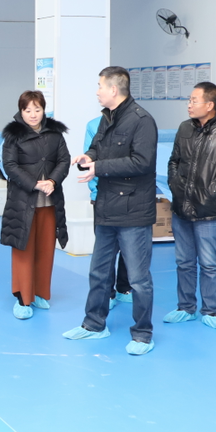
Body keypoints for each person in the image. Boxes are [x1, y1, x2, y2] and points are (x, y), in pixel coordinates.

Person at [68, 66, 158, 355]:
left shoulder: (142, 121)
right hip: (106, 208)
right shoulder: (107, 118)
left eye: (99, 86)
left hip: (133, 212)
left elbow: (142, 162)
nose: (97, 91)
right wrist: (88, 157)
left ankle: (142, 334)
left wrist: (99, 167)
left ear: (113, 89)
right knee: (99, 272)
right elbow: (97, 147)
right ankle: (94, 324)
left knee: (138, 279)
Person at [164, 82, 216, 330]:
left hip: (209, 211)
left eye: (194, 100)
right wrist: (175, 185)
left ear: (210, 105)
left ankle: (210, 310)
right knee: (184, 262)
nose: (189, 105)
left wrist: (212, 192)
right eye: (189, 100)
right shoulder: (184, 128)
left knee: (209, 264)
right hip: (181, 207)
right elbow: (174, 161)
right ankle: (185, 308)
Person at [0, 90, 70, 320]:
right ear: (21, 111)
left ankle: (39, 293)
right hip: (23, 202)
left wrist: (52, 181)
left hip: (50, 202)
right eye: (27, 110)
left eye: (37, 109)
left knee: (45, 249)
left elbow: (64, 160)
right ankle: (22, 297)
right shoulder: (13, 135)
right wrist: (35, 184)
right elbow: (10, 165)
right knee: (24, 249)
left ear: (43, 110)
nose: (32, 114)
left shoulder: (55, 133)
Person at [84, 113, 132, 308]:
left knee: (129, 246)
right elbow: (89, 160)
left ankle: (124, 288)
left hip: (129, 196)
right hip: (103, 196)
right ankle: (108, 293)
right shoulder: (94, 125)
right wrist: (97, 192)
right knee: (106, 250)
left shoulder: (137, 123)